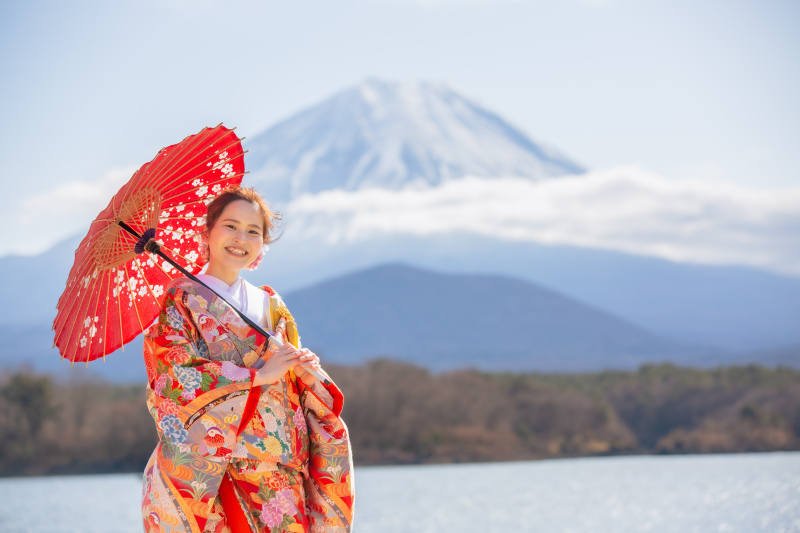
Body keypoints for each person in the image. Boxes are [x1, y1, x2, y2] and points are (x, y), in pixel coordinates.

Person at [140, 186, 354, 533]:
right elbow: (173, 376)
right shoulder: (182, 300)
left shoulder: (271, 304)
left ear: (262, 245)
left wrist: (307, 373)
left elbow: (292, 382)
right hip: (218, 468)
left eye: (254, 231)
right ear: (206, 233)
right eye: (230, 226)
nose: (242, 238)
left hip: (281, 468)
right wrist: (258, 376)